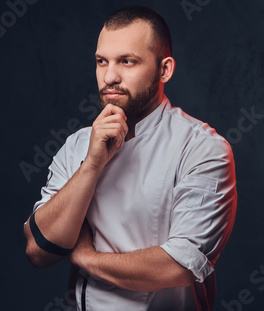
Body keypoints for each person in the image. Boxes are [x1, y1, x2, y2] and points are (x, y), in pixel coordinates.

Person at [23, 6, 237, 311]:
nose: (110, 76)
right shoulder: (77, 146)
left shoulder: (202, 149)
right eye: (101, 62)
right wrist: (92, 165)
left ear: (164, 69)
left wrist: (86, 257)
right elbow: (38, 250)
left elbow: (178, 266)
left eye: (127, 61)